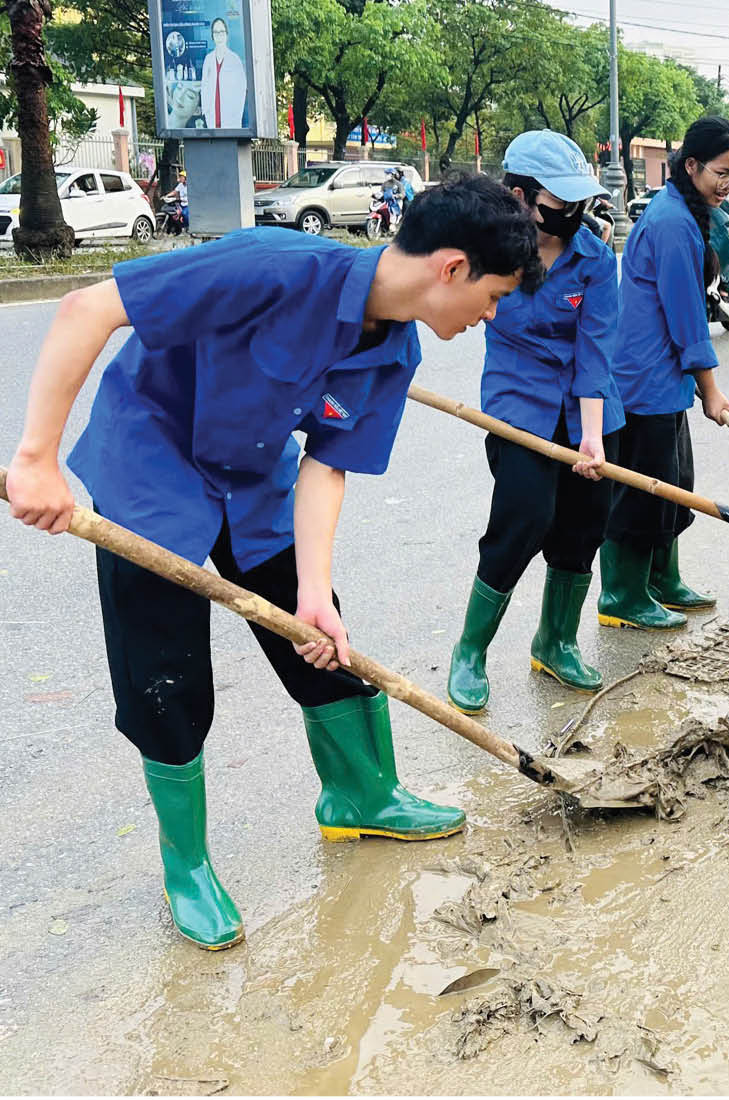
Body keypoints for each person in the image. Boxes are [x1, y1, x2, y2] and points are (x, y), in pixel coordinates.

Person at [5, 177, 541, 949]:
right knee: (168, 683)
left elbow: (328, 465)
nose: (491, 315)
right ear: (452, 268)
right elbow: (86, 308)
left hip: (252, 478)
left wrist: (314, 593)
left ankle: (362, 796)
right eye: (495, 294)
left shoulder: (393, 350)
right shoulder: (271, 264)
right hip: (153, 467)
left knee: (325, 644)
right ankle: (186, 867)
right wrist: (36, 459)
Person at [446, 132, 624, 712]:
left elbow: (596, 353)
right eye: (557, 203)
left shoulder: (594, 258)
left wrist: (593, 438)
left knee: (583, 525)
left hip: (589, 410)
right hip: (519, 405)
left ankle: (556, 641)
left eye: (579, 204)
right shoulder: (485, 252)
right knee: (523, 518)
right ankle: (470, 650)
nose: (571, 215)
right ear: (519, 195)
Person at [600, 117, 729, 630]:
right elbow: (687, 318)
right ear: (691, 166)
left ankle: (662, 579)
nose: (728, 184)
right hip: (643, 380)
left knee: (674, 481)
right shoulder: (671, 223)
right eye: (721, 173)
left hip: (664, 380)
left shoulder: (686, 213)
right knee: (646, 491)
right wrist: (711, 389)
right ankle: (621, 595)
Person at [199, 16, 247, 129]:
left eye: (221, 31)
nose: (219, 35)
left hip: (231, 118)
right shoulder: (208, 59)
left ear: (226, 34)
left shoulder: (234, 59)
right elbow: (204, 86)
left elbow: (241, 88)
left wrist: (236, 113)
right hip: (212, 116)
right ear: (212, 36)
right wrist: (206, 110)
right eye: (215, 32)